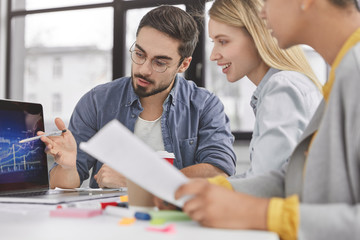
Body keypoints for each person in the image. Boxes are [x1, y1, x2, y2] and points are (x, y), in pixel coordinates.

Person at [175, 0, 360, 239]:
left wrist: (260, 213)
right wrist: (213, 190)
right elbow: (295, 179)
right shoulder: (342, 73)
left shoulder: (353, 71)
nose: (262, 12)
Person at [41, 5, 236, 189]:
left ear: (183, 65)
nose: (143, 69)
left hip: (176, 220)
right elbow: (62, 184)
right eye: (140, 54)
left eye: (159, 63)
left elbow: (218, 171)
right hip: (110, 221)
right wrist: (67, 167)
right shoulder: (97, 102)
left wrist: (138, 179)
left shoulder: (205, 105)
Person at [207, 0, 322, 178]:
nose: (213, 55)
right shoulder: (287, 83)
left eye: (223, 41)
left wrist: (202, 191)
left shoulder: (281, 87)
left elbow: (264, 182)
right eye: (213, 42)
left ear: (257, 36)